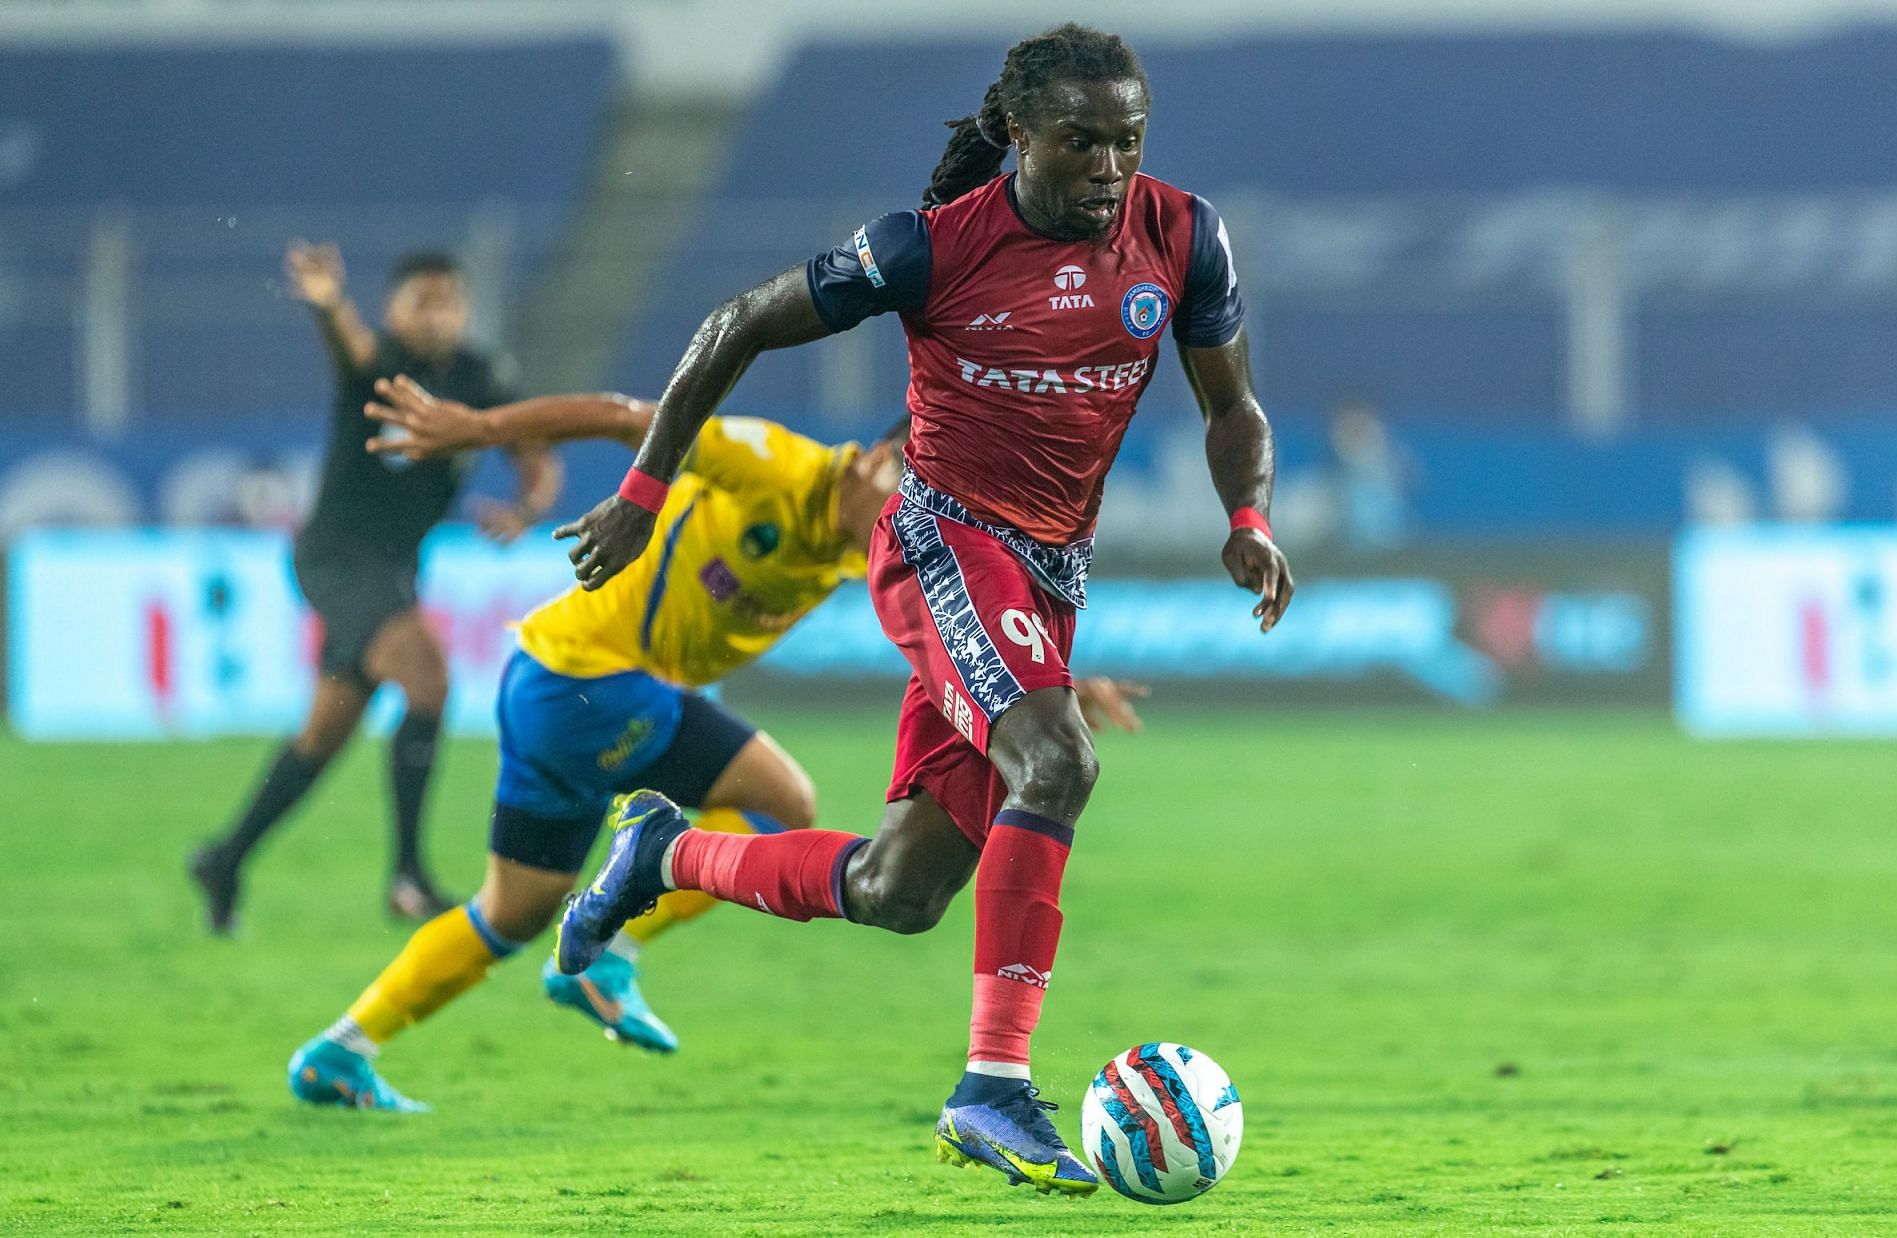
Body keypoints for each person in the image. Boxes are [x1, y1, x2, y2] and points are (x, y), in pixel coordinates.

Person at [550, 22, 1290, 1196]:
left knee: (903, 891)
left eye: (1129, 140)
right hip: (944, 539)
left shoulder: (1183, 235)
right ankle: (992, 1087)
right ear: (1021, 136)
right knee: (1058, 762)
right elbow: (739, 321)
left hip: (1049, 575)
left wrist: (1246, 519)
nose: (1111, 166)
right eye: (1084, 141)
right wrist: (645, 490)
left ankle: (664, 850)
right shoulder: (929, 250)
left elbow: (1233, 403)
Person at [282, 374, 1154, 1110]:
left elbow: (963, 646)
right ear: (878, 462)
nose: (906, 521)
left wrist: (1055, 690)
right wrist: (478, 428)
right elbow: (634, 418)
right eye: (905, 496)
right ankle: (611, 955)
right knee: (785, 802)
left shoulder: (877, 550)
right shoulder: (772, 462)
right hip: (588, 679)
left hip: (550, 684)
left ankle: (342, 1049)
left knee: (509, 914)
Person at [187, 244, 561, 933]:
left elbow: (536, 453)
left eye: (450, 301)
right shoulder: (380, 364)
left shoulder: (480, 376)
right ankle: (408, 876)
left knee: (326, 731)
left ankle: (225, 858)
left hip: (393, 570)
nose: (439, 315)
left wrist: (528, 509)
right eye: (423, 300)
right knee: (428, 677)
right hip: (334, 559)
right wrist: (329, 303)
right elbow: (347, 346)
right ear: (393, 308)